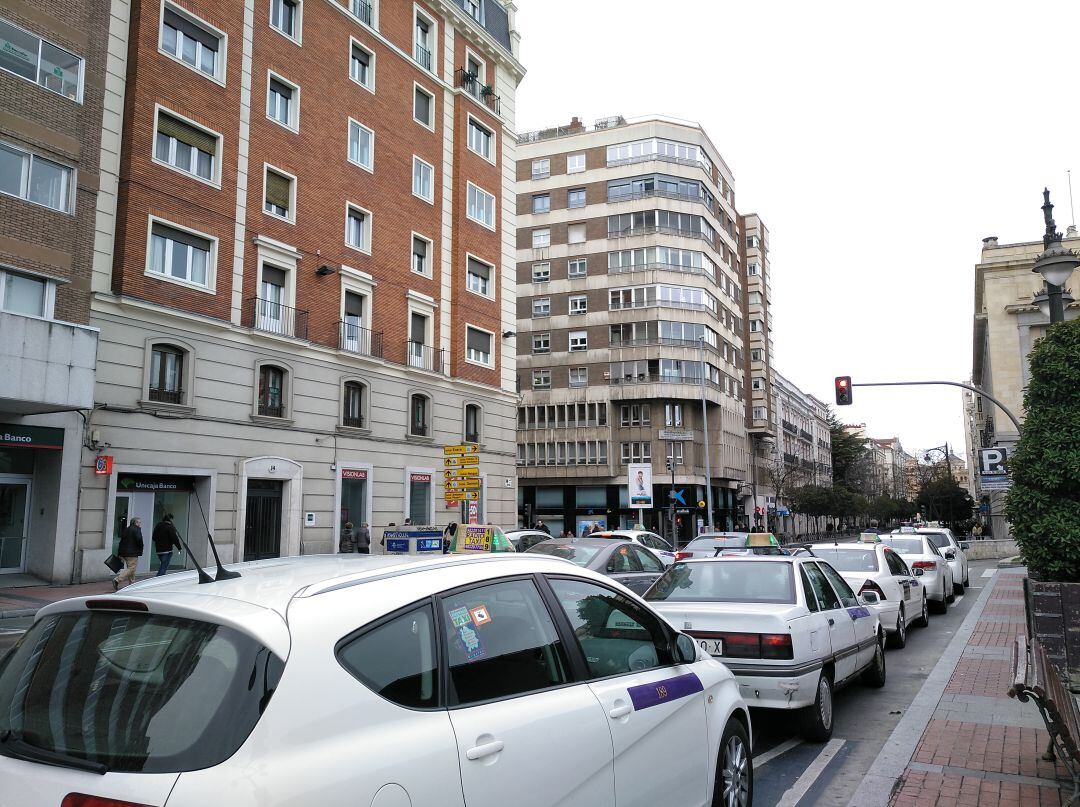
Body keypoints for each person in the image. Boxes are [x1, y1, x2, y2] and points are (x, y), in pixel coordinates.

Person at [114, 516, 144, 590]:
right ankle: (117, 579)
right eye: (139, 522)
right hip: (132, 552)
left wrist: (119, 553)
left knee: (131, 568)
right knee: (132, 568)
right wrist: (141, 548)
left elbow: (121, 542)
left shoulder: (127, 529)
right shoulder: (136, 529)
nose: (140, 524)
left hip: (124, 552)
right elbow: (139, 540)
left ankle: (132, 583)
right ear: (135, 523)